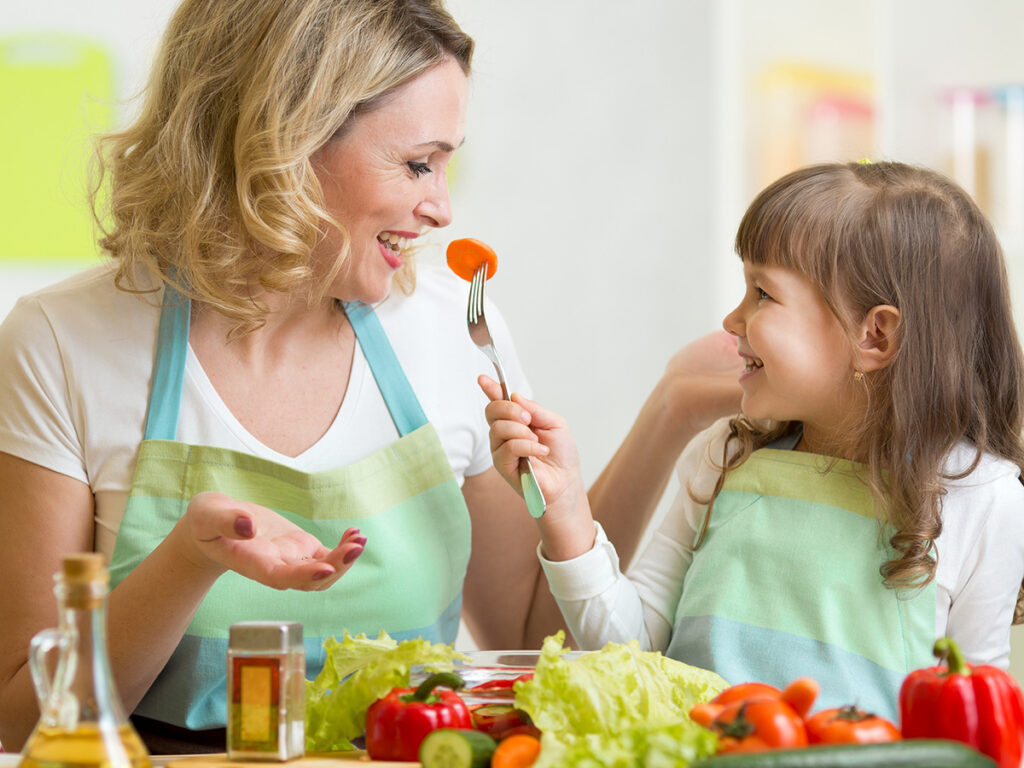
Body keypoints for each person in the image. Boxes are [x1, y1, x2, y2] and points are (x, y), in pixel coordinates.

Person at [0, 0, 744, 754]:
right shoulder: (63, 343)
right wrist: (187, 562)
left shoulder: (452, 331)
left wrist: (672, 408)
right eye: (418, 163)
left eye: (447, 163)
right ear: (282, 141)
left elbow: (530, 634)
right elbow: (18, 714)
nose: (443, 209)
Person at [484, 160, 1024, 720]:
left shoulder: (985, 499)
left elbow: (979, 721)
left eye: (762, 293)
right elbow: (631, 652)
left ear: (875, 335)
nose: (732, 318)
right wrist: (568, 512)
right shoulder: (724, 457)